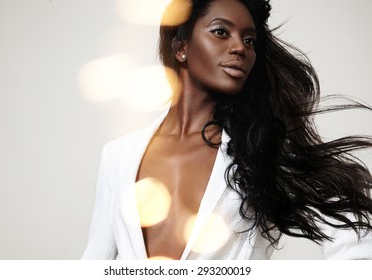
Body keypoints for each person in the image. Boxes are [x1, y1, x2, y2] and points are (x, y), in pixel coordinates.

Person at [81, 0, 372, 259]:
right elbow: (95, 261)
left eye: (249, 40)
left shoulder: (261, 149)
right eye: (221, 32)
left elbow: (357, 240)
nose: (240, 48)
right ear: (181, 46)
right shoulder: (119, 155)